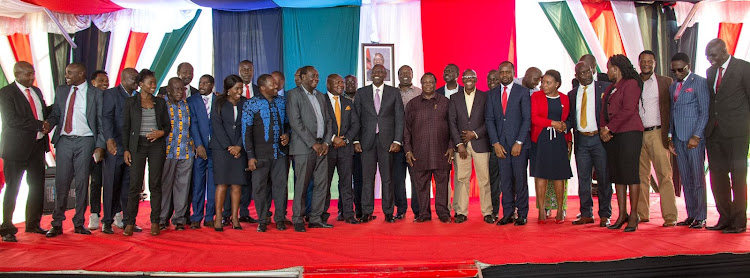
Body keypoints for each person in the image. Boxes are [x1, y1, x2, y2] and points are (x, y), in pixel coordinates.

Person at [46, 63, 106, 237]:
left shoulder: (95, 93)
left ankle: (79, 222)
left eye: (70, 73)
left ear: (81, 73)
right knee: (61, 182)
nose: (67, 76)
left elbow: (101, 121)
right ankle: (57, 223)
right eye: (66, 73)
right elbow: (56, 113)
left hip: (86, 140)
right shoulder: (62, 90)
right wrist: (49, 124)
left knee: (82, 183)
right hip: (64, 140)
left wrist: (100, 145)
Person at [0, 62, 51, 242]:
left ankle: (33, 224)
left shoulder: (36, 92)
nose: (32, 77)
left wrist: (57, 109)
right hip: (16, 149)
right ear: (17, 74)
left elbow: (43, 112)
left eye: (33, 74)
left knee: (37, 187)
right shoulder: (6, 93)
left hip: (37, 147)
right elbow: (12, 120)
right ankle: (6, 227)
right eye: (28, 74)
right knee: (13, 188)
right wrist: (39, 125)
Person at [704, 38, 750, 233]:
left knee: (738, 177)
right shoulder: (710, 71)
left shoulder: (744, 68)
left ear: (724, 51)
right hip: (714, 132)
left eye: (713, 55)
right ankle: (724, 217)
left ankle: (739, 221)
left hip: (738, 132)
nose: (710, 59)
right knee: (717, 177)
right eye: (708, 56)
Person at [121, 69, 171, 236]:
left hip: (156, 145)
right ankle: (129, 222)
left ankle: (155, 221)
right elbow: (126, 127)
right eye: (150, 83)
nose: (153, 86)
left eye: (154, 83)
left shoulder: (160, 103)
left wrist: (160, 133)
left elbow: (168, 126)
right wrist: (126, 149)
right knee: (135, 184)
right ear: (140, 85)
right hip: (137, 146)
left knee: (155, 184)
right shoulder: (131, 102)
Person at [353, 64, 404, 223]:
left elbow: (399, 118)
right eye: (374, 71)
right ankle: (366, 212)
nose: (377, 74)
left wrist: (397, 140)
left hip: (387, 142)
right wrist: (356, 140)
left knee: (387, 178)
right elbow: (356, 119)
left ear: (385, 74)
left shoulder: (394, 92)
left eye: (380, 72)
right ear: (370, 74)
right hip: (366, 142)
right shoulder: (361, 93)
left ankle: (388, 212)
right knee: (367, 178)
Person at [564, 62, 613, 227]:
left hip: (600, 139)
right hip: (582, 140)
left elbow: (613, 111)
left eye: (587, 72)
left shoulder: (605, 88)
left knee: (604, 178)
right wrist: (564, 127)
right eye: (581, 73)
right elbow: (571, 118)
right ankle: (586, 213)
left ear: (592, 71)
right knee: (583, 179)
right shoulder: (572, 94)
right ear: (576, 76)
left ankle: (605, 215)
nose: (585, 75)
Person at [600, 54, 644, 232]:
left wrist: (609, 128)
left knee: (630, 174)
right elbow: (604, 110)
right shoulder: (612, 87)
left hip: (630, 133)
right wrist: (604, 128)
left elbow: (628, 110)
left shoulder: (631, 83)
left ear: (616, 69)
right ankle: (622, 214)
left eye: (609, 67)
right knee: (617, 174)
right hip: (613, 135)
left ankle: (634, 215)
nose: (607, 71)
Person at [287, 66, 333, 232]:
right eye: (313, 75)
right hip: (304, 147)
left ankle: (315, 218)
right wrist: (313, 143)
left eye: (318, 75)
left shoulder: (320, 96)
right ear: (303, 76)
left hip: (322, 147)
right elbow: (295, 122)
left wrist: (326, 143)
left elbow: (328, 121)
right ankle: (298, 219)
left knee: (321, 184)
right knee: (302, 185)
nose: (316, 78)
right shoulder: (293, 95)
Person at [243, 74, 291, 232]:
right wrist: (250, 156)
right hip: (260, 155)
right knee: (260, 188)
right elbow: (246, 132)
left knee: (280, 187)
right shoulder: (251, 104)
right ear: (262, 87)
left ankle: (279, 218)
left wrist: (287, 135)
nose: (276, 87)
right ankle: (262, 219)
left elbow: (288, 124)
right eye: (272, 85)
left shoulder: (282, 102)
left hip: (280, 155)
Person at [486, 61, 531, 226]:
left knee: (520, 180)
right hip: (501, 146)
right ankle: (508, 213)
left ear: (513, 73)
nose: (504, 75)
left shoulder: (522, 92)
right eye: (502, 72)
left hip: (519, 145)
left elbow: (527, 119)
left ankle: (522, 214)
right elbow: (490, 120)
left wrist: (519, 142)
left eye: (508, 72)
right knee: (504, 181)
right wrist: (495, 143)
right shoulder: (492, 94)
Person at [635, 50, 678, 227]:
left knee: (664, 175)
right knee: (640, 176)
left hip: (658, 133)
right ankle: (641, 214)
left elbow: (673, 111)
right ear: (639, 63)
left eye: (649, 61)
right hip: (637, 134)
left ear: (655, 63)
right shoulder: (632, 82)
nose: (646, 64)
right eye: (643, 61)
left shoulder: (666, 82)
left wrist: (670, 136)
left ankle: (670, 216)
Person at [668, 52, 709, 229]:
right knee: (685, 178)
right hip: (678, 138)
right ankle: (691, 214)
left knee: (698, 178)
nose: (677, 73)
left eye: (680, 69)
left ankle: (701, 216)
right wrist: (670, 137)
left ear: (688, 66)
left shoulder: (699, 82)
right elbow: (672, 113)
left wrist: (697, 136)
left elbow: (704, 111)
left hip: (694, 139)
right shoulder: (672, 87)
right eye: (673, 70)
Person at [405, 73, 453, 222]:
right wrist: (408, 150)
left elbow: (453, 126)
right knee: (421, 185)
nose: (428, 85)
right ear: (421, 84)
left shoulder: (445, 102)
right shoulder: (412, 104)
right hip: (419, 152)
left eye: (431, 82)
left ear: (435, 83)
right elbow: (406, 129)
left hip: (442, 151)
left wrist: (451, 146)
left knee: (442, 184)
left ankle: (443, 213)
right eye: (424, 82)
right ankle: (424, 214)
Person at [530, 70, 572, 224]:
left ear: (557, 84)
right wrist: (552, 123)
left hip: (559, 140)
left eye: (548, 83)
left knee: (559, 175)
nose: (544, 85)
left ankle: (560, 210)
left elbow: (568, 119)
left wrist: (566, 131)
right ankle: (542, 210)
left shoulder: (565, 99)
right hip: (540, 139)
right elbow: (534, 118)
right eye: (543, 82)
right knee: (540, 174)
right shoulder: (536, 96)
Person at [449, 69, 492, 224]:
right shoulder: (454, 98)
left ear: (476, 79)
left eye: (471, 77)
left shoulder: (485, 97)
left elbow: (489, 120)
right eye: (466, 77)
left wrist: (475, 133)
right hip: (461, 146)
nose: (469, 80)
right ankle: (461, 212)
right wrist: (459, 144)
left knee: (484, 179)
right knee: (461, 179)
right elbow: (452, 123)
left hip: (480, 143)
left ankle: (487, 212)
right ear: (462, 79)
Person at [101, 68, 138, 234]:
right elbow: (106, 117)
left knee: (129, 186)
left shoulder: (138, 96)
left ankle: (128, 220)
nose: (136, 82)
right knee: (112, 184)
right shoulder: (111, 94)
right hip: (116, 146)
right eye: (133, 78)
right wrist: (109, 139)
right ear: (123, 78)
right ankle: (107, 221)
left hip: (134, 147)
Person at [322, 74, 360, 224]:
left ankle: (348, 214)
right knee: (325, 183)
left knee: (346, 182)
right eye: (337, 82)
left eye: (342, 82)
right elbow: (319, 123)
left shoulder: (347, 102)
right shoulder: (321, 100)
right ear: (328, 85)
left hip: (345, 148)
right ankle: (322, 215)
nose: (341, 85)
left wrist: (346, 139)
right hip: (328, 148)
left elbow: (355, 124)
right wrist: (332, 138)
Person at [211, 75, 247, 232]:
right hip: (221, 149)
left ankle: (235, 217)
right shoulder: (218, 102)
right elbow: (216, 127)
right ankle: (218, 217)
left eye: (241, 88)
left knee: (237, 185)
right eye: (236, 89)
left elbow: (247, 126)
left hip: (239, 149)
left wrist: (238, 146)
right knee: (222, 184)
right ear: (228, 90)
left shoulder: (246, 103)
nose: (240, 91)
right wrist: (229, 147)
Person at [158, 78, 193, 231]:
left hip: (186, 152)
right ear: (168, 90)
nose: (180, 92)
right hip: (167, 152)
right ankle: (161, 218)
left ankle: (179, 218)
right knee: (165, 187)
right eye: (176, 89)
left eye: (182, 89)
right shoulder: (161, 103)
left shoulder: (187, 104)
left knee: (182, 187)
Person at [231, 60, 259, 225]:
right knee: (237, 178)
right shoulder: (233, 92)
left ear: (253, 71)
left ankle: (244, 212)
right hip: (237, 142)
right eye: (243, 69)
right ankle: (231, 212)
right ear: (239, 71)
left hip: (256, 142)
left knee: (250, 178)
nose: (246, 72)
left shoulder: (259, 90)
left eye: (249, 69)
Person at [188, 74, 217, 229]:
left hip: (215, 150)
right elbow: (192, 124)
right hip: (199, 150)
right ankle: (196, 216)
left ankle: (209, 216)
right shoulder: (191, 101)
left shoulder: (220, 100)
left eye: (205, 83)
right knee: (198, 184)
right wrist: (199, 145)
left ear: (212, 85)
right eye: (200, 82)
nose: (201, 85)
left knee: (213, 185)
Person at [393, 65, 422, 220]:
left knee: (416, 178)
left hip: (415, 143)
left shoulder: (419, 92)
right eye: (402, 73)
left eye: (408, 73)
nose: (405, 75)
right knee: (398, 179)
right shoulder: (391, 93)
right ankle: (401, 209)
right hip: (396, 143)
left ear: (412, 74)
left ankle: (418, 210)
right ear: (398, 76)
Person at [88, 70, 108, 230]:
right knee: (96, 182)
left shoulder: (110, 98)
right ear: (92, 82)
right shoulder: (87, 99)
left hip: (111, 146)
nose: (105, 83)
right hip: (92, 147)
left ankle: (114, 214)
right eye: (101, 80)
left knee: (112, 182)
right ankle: (94, 214)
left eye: (106, 81)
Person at [343, 74, 365, 219]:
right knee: (344, 180)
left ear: (357, 83)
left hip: (361, 145)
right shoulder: (339, 98)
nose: (350, 84)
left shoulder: (363, 97)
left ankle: (360, 210)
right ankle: (343, 210)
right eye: (347, 82)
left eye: (353, 82)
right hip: (343, 145)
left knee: (360, 179)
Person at [486, 69, 502, 220]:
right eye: (489, 80)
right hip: (491, 145)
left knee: (511, 180)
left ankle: (513, 209)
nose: (492, 83)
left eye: (495, 80)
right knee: (493, 180)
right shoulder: (485, 97)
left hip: (508, 145)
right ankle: (494, 210)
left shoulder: (509, 95)